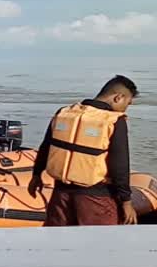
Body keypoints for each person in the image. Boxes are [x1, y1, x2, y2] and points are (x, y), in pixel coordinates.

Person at [29, 75, 139, 227]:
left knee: (59, 243)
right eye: (128, 103)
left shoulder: (64, 113)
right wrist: (126, 201)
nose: (126, 108)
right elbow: (119, 165)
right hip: (96, 197)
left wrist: (36, 175)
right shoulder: (114, 121)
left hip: (61, 194)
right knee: (101, 245)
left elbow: (46, 147)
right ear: (118, 98)